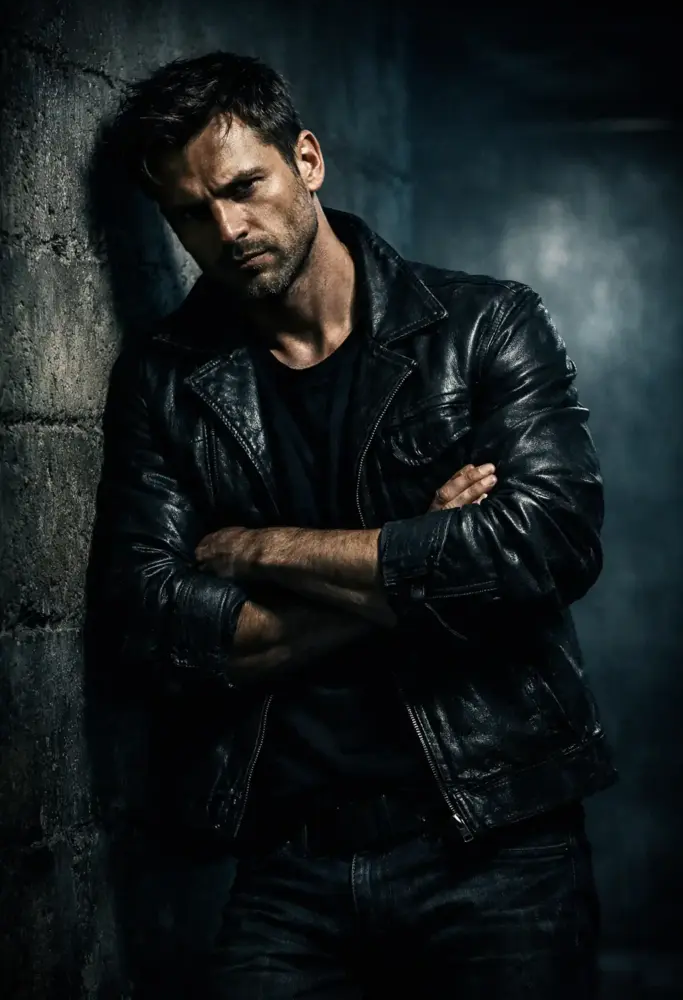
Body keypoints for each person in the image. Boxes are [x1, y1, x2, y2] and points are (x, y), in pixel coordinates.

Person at [87, 51, 617, 999]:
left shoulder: (482, 325)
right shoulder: (166, 382)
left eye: (243, 186)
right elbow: (155, 625)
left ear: (308, 160)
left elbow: (549, 543)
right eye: (189, 213)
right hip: (290, 865)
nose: (227, 228)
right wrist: (417, 554)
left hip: (493, 847)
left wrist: (264, 549)